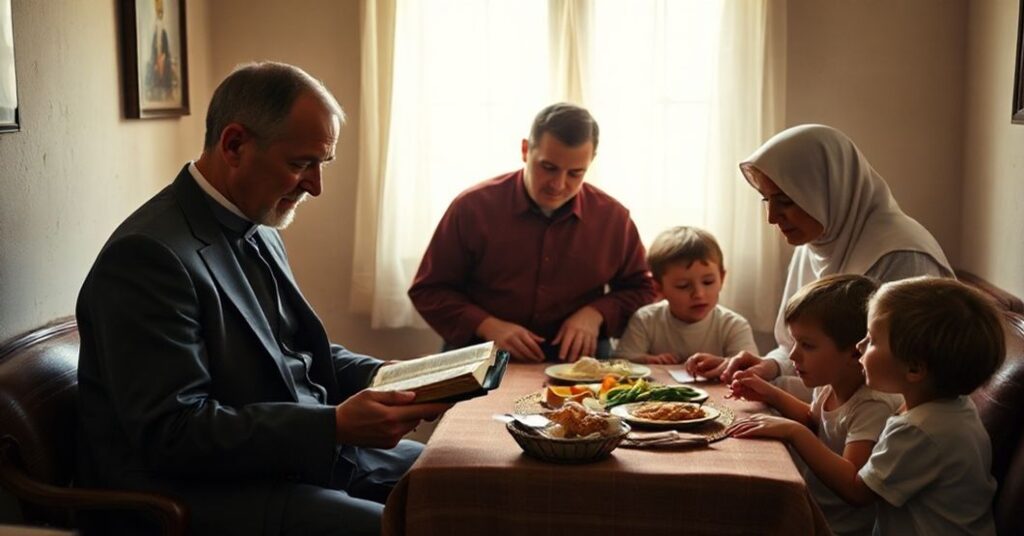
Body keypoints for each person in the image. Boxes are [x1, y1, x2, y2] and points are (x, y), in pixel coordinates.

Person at [76, 62, 452, 536]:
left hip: (287, 455)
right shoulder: (148, 256)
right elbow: (172, 435)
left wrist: (392, 377)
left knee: (461, 477)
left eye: (322, 163)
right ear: (234, 145)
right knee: (394, 526)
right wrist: (333, 427)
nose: (315, 186)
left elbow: (291, 353)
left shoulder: (259, 220)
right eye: (301, 164)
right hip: (189, 491)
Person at [730, 277, 1004, 535]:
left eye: (872, 340)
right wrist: (772, 395)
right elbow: (820, 423)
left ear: (914, 368)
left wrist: (793, 432)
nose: (859, 346)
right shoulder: (947, 408)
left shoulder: (919, 431)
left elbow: (857, 491)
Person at [687, 124, 953, 389]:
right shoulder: (817, 240)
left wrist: (777, 388)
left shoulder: (901, 255)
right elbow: (800, 346)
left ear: (828, 190)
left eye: (786, 201)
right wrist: (770, 366)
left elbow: (892, 385)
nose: (772, 217)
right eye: (767, 200)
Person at [408, 103, 655, 363]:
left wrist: (596, 313)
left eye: (575, 173)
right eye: (548, 167)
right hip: (481, 353)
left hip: (578, 364)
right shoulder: (472, 207)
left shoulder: (613, 218)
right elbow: (429, 290)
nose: (559, 185)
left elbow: (643, 290)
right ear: (525, 150)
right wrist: (488, 326)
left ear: (591, 161)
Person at [727, 274, 901, 536]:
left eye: (807, 345)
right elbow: (815, 419)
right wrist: (770, 394)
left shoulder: (872, 404)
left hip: (841, 528)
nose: (794, 354)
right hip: (816, 510)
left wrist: (794, 432)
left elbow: (853, 482)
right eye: (795, 341)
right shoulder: (830, 381)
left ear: (856, 351)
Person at [613, 226, 757, 365]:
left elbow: (750, 369)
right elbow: (620, 362)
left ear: (722, 278)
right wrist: (647, 360)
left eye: (708, 282)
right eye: (683, 285)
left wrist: (721, 364)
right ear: (658, 287)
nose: (699, 294)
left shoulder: (733, 326)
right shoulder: (646, 320)